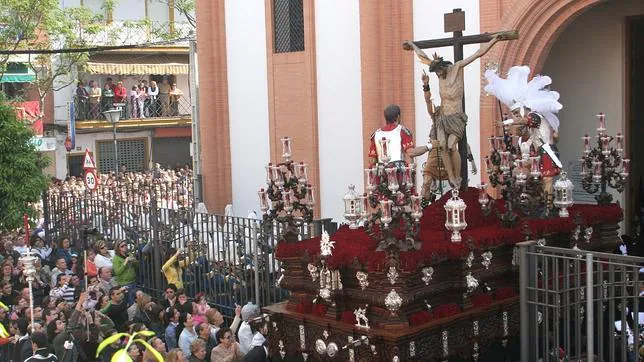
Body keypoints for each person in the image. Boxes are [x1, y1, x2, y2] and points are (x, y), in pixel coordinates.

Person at [404, 32, 512, 188]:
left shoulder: (457, 68)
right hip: (443, 117)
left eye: (440, 71)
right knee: (442, 146)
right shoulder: (439, 75)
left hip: (456, 116)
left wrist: (494, 40)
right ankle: (452, 178)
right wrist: (413, 45)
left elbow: (477, 54)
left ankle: (458, 175)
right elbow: (423, 55)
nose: (439, 74)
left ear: (443, 66)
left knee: (450, 145)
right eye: (437, 73)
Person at [483, 65, 563, 198]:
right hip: (539, 152)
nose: (516, 116)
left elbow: (524, 121)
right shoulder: (528, 131)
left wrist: (506, 122)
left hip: (546, 151)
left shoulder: (534, 116)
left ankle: (548, 206)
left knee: (547, 179)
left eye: (516, 112)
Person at [367, 104, 438, 167]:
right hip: (399, 174)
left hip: (381, 174)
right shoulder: (402, 131)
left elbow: (371, 160)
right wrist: (430, 146)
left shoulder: (376, 134)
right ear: (398, 117)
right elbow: (411, 152)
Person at [112, 240, 138, 305]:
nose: (124, 247)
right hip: (125, 283)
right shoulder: (116, 258)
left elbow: (137, 266)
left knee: (136, 300)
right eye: (122, 246)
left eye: (125, 245)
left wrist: (135, 261)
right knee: (130, 302)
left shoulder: (129, 254)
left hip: (133, 281)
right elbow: (117, 272)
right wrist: (125, 263)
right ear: (118, 248)